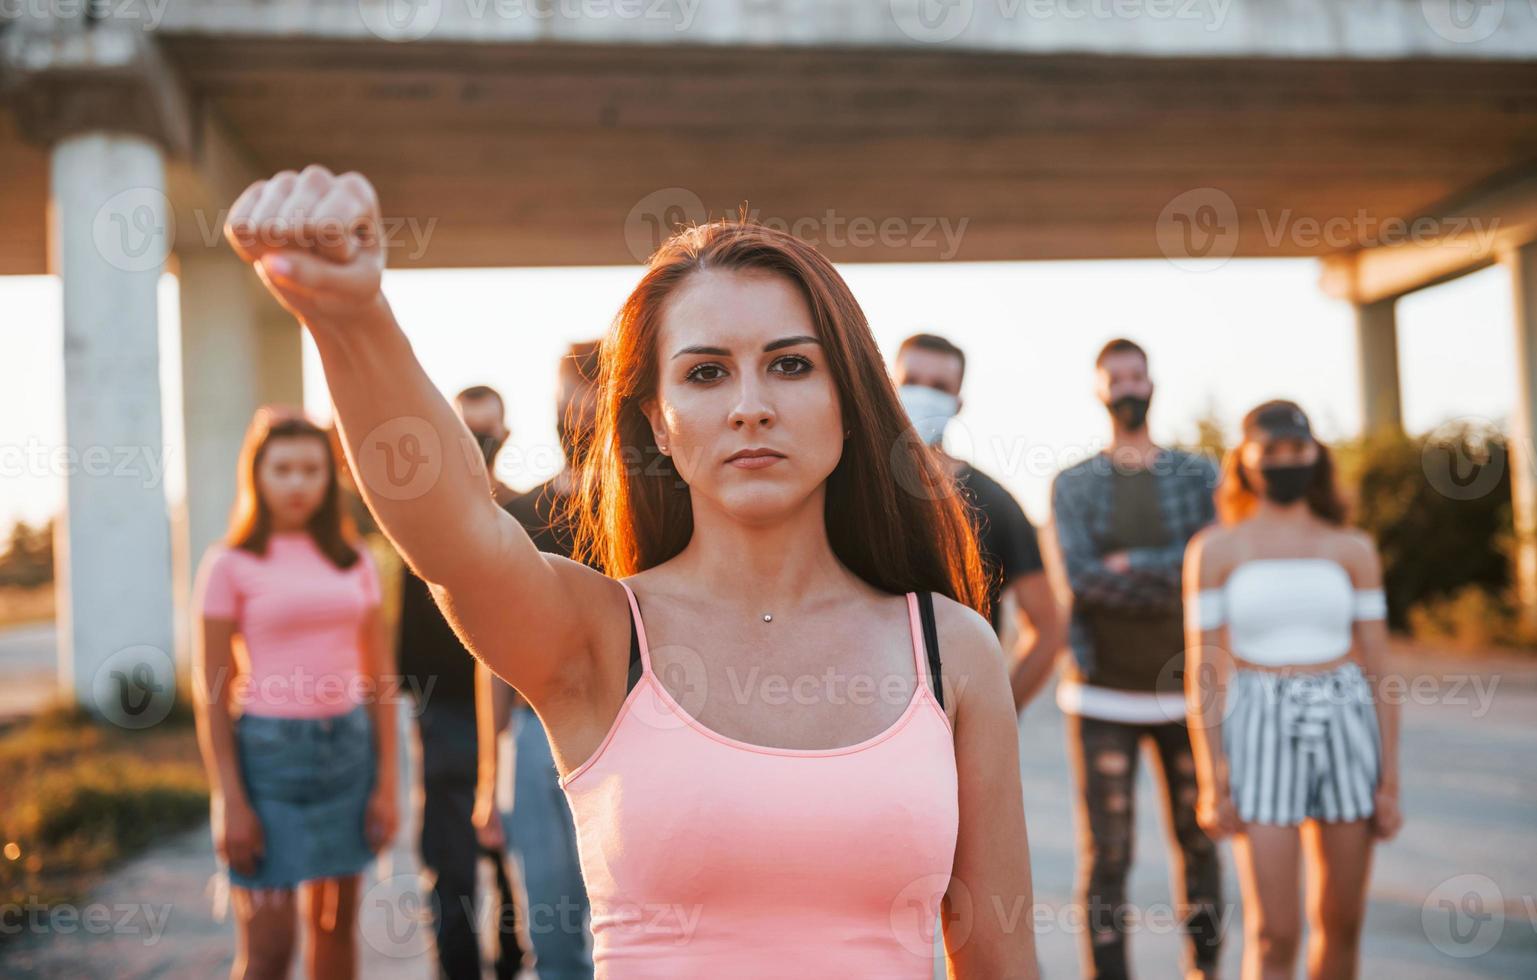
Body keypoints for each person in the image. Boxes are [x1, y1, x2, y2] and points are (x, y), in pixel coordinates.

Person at [222, 164, 1038, 978]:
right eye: (705, 372)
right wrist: (353, 319)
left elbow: (1001, 964)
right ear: (657, 418)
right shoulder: (599, 636)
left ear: (848, 397)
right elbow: (458, 531)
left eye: (790, 364)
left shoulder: (950, 648)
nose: (749, 404)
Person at [1184, 400, 1401, 980]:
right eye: (1270, 451)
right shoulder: (1216, 550)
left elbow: (1380, 669)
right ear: (1246, 461)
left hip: (1344, 720)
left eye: (1296, 449)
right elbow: (1203, 671)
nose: (1285, 461)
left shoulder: (1352, 548)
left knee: (1340, 921)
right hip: (1259, 720)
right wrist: (1212, 778)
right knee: (1273, 930)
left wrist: (1389, 780)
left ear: (1315, 455)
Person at [191, 406, 399, 980]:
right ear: (256, 475)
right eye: (282, 469)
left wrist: (387, 785)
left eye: (312, 469)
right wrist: (229, 799)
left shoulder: (354, 559)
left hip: (348, 755)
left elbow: (381, 677)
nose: (298, 483)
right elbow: (210, 691)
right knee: (268, 951)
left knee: (335, 938)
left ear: (330, 477)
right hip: (269, 763)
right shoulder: (228, 564)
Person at [1048, 338, 1222, 980]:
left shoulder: (1199, 475)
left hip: (1188, 692)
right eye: (1114, 378)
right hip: (1101, 695)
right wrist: (1173, 568)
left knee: (1201, 841)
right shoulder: (1072, 484)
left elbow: (1210, 566)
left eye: (1136, 375)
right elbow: (1083, 580)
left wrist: (1135, 566)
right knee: (1108, 855)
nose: (1127, 386)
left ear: (1152, 384)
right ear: (1100, 390)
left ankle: (1203, 969)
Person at [473, 342, 602, 979]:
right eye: (567, 399)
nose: (578, 414)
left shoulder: (664, 516)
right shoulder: (520, 516)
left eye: (592, 398)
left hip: (631, 734)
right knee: (551, 932)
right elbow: (492, 655)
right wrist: (488, 779)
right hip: (533, 740)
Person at [395, 384, 521, 979]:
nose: (480, 447)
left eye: (488, 435)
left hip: (521, 717)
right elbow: (406, 642)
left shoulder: (529, 516)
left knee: (514, 857)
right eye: (468, 436)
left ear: (506, 437)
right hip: (445, 713)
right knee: (450, 859)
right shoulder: (417, 522)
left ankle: (515, 960)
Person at [891, 332, 1065, 712]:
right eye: (912, 382)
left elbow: (1048, 629)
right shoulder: (844, 489)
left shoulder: (994, 504)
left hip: (955, 726)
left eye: (939, 386)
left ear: (957, 402)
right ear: (890, 385)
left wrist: (996, 713)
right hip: (860, 720)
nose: (923, 395)